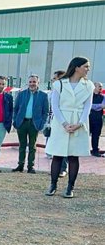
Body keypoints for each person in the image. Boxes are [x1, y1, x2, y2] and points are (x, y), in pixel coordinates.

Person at [44, 57, 95, 198]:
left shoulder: (89, 85)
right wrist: (64, 123)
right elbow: (55, 106)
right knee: (57, 155)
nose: (87, 69)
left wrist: (80, 123)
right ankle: (53, 185)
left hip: (79, 122)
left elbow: (87, 106)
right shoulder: (59, 84)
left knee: (74, 156)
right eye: (85, 66)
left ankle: (70, 187)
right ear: (77, 67)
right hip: (61, 122)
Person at [11, 74, 49, 173]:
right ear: (28, 83)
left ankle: (30, 166)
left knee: (32, 146)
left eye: (34, 82)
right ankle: (20, 165)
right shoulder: (22, 94)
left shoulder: (43, 96)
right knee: (22, 145)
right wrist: (15, 120)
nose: (32, 84)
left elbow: (46, 111)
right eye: (30, 82)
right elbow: (16, 109)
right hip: (22, 123)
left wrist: (42, 123)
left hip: (34, 124)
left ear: (38, 83)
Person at [47, 70, 68, 176]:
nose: (53, 81)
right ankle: (55, 169)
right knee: (55, 147)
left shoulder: (65, 92)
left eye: (55, 79)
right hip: (53, 122)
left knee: (63, 146)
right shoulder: (52, 92)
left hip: (63, 123)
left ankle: (63, 168)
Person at [88, 81, 104, 157]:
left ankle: (95, 150)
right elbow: (87, 105)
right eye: (99, 86)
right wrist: (98, 106)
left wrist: (92, 106)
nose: (101, 88)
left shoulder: (103, 97)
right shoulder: (89, 96)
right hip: (89, 118)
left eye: (101, 86)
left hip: (98, 118)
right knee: (85, 134)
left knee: (96, 135)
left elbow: (103, 106)